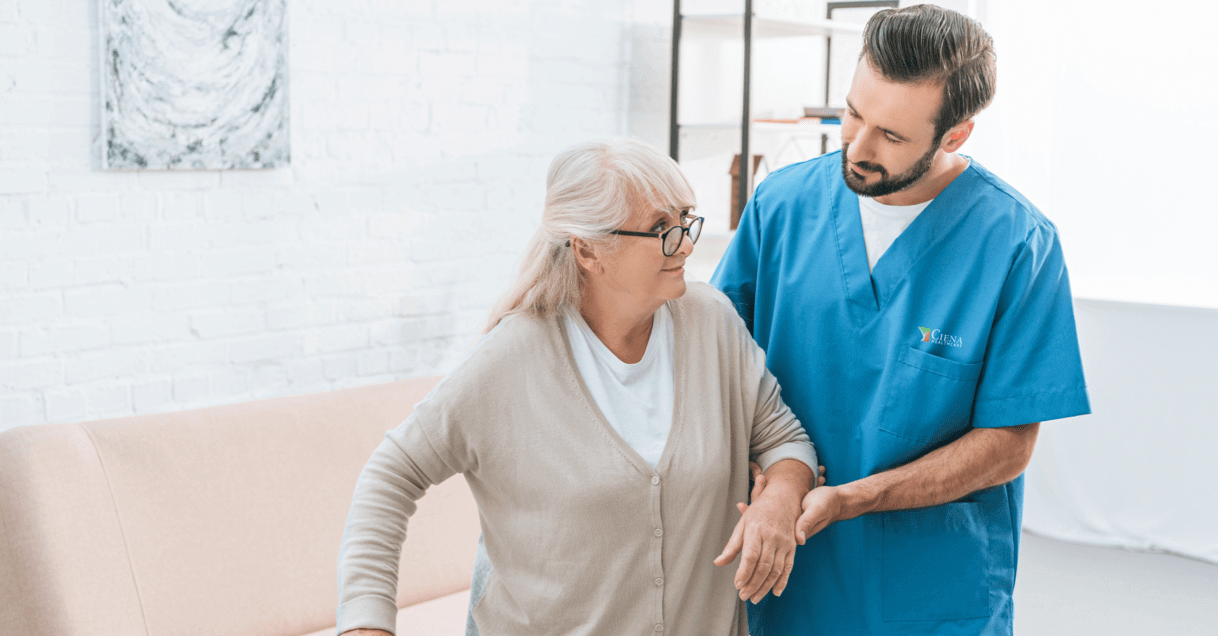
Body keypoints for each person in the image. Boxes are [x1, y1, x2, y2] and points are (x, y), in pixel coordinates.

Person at [335, 138, 825, 636]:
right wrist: (366, 623)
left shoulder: (711, 322)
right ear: (588, 249)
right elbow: (390, 474)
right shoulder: (513, 358)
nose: (686, 243)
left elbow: (784, 439)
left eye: (684, 217)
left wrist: (779, 499)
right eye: (660, 228)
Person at [711, 5, 1090, 636]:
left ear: (955, 136)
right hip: (787, 573)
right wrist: (774, 483)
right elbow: (719, 367)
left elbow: (1008, 446)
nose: (856, 149)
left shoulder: (1017, 245)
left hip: (931, 589)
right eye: (853, 113)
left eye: (890, 135)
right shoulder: (780, 206)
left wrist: (854, 499)